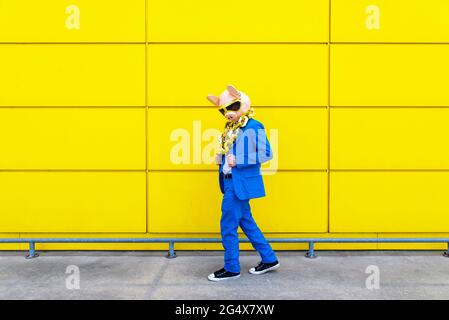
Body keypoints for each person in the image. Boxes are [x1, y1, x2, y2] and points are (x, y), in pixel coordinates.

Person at [205, 84, 280, 281]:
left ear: (243, 104)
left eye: (231, 107)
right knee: (247, 222)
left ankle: (231, 268)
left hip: (239, 184)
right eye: (223, 110)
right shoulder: (230, 128)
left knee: (228, 225)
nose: (227, 114)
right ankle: (269, 258)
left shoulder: (254, 126)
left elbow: (266, 154)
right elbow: (230, 150)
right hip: (230, 182)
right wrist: (221, 160)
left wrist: (239, 161)